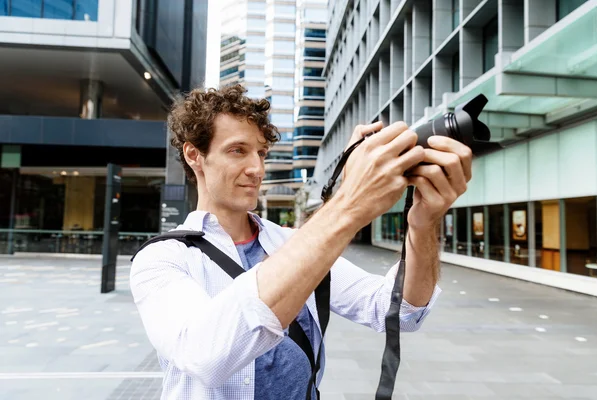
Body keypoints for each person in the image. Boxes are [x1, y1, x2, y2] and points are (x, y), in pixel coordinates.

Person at [130, 84, 473, 399]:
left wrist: (424, 223)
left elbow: (398, 312)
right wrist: (348, 202)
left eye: (261, 153)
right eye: (237, 150)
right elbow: (205, 355)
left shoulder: (291, 243)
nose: (256, 169)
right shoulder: (162, 259)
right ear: (194, 155)